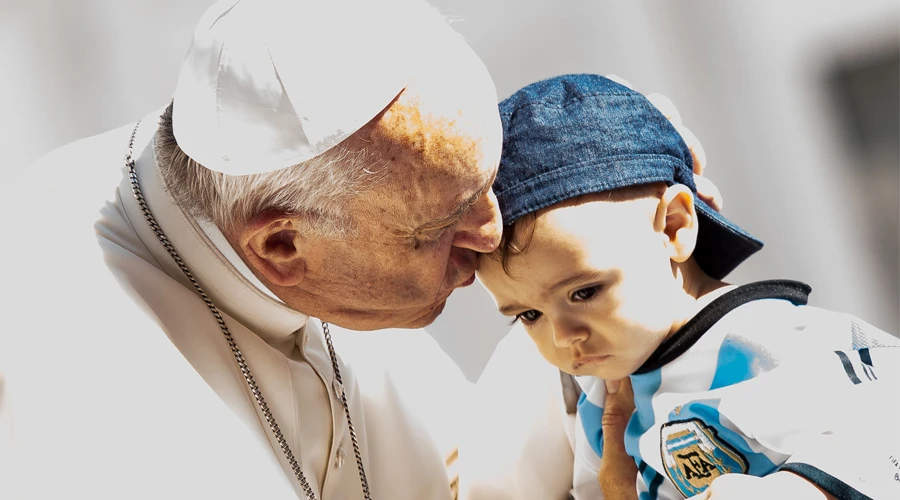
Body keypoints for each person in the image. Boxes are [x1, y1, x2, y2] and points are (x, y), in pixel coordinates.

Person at [0, 1, 721, 498]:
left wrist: (627, 252)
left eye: (488, 182)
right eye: (445, 222)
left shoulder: (298, 208)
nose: (495, 234)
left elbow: (465, 466)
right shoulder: (74, 387)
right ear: (284, 247)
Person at [472, 74, 899, 500]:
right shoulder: (593, 399)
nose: (563, 336)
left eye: (584, 293)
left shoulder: (771, 339)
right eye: (528, 315)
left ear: (674, 227)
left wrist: (801, 489)